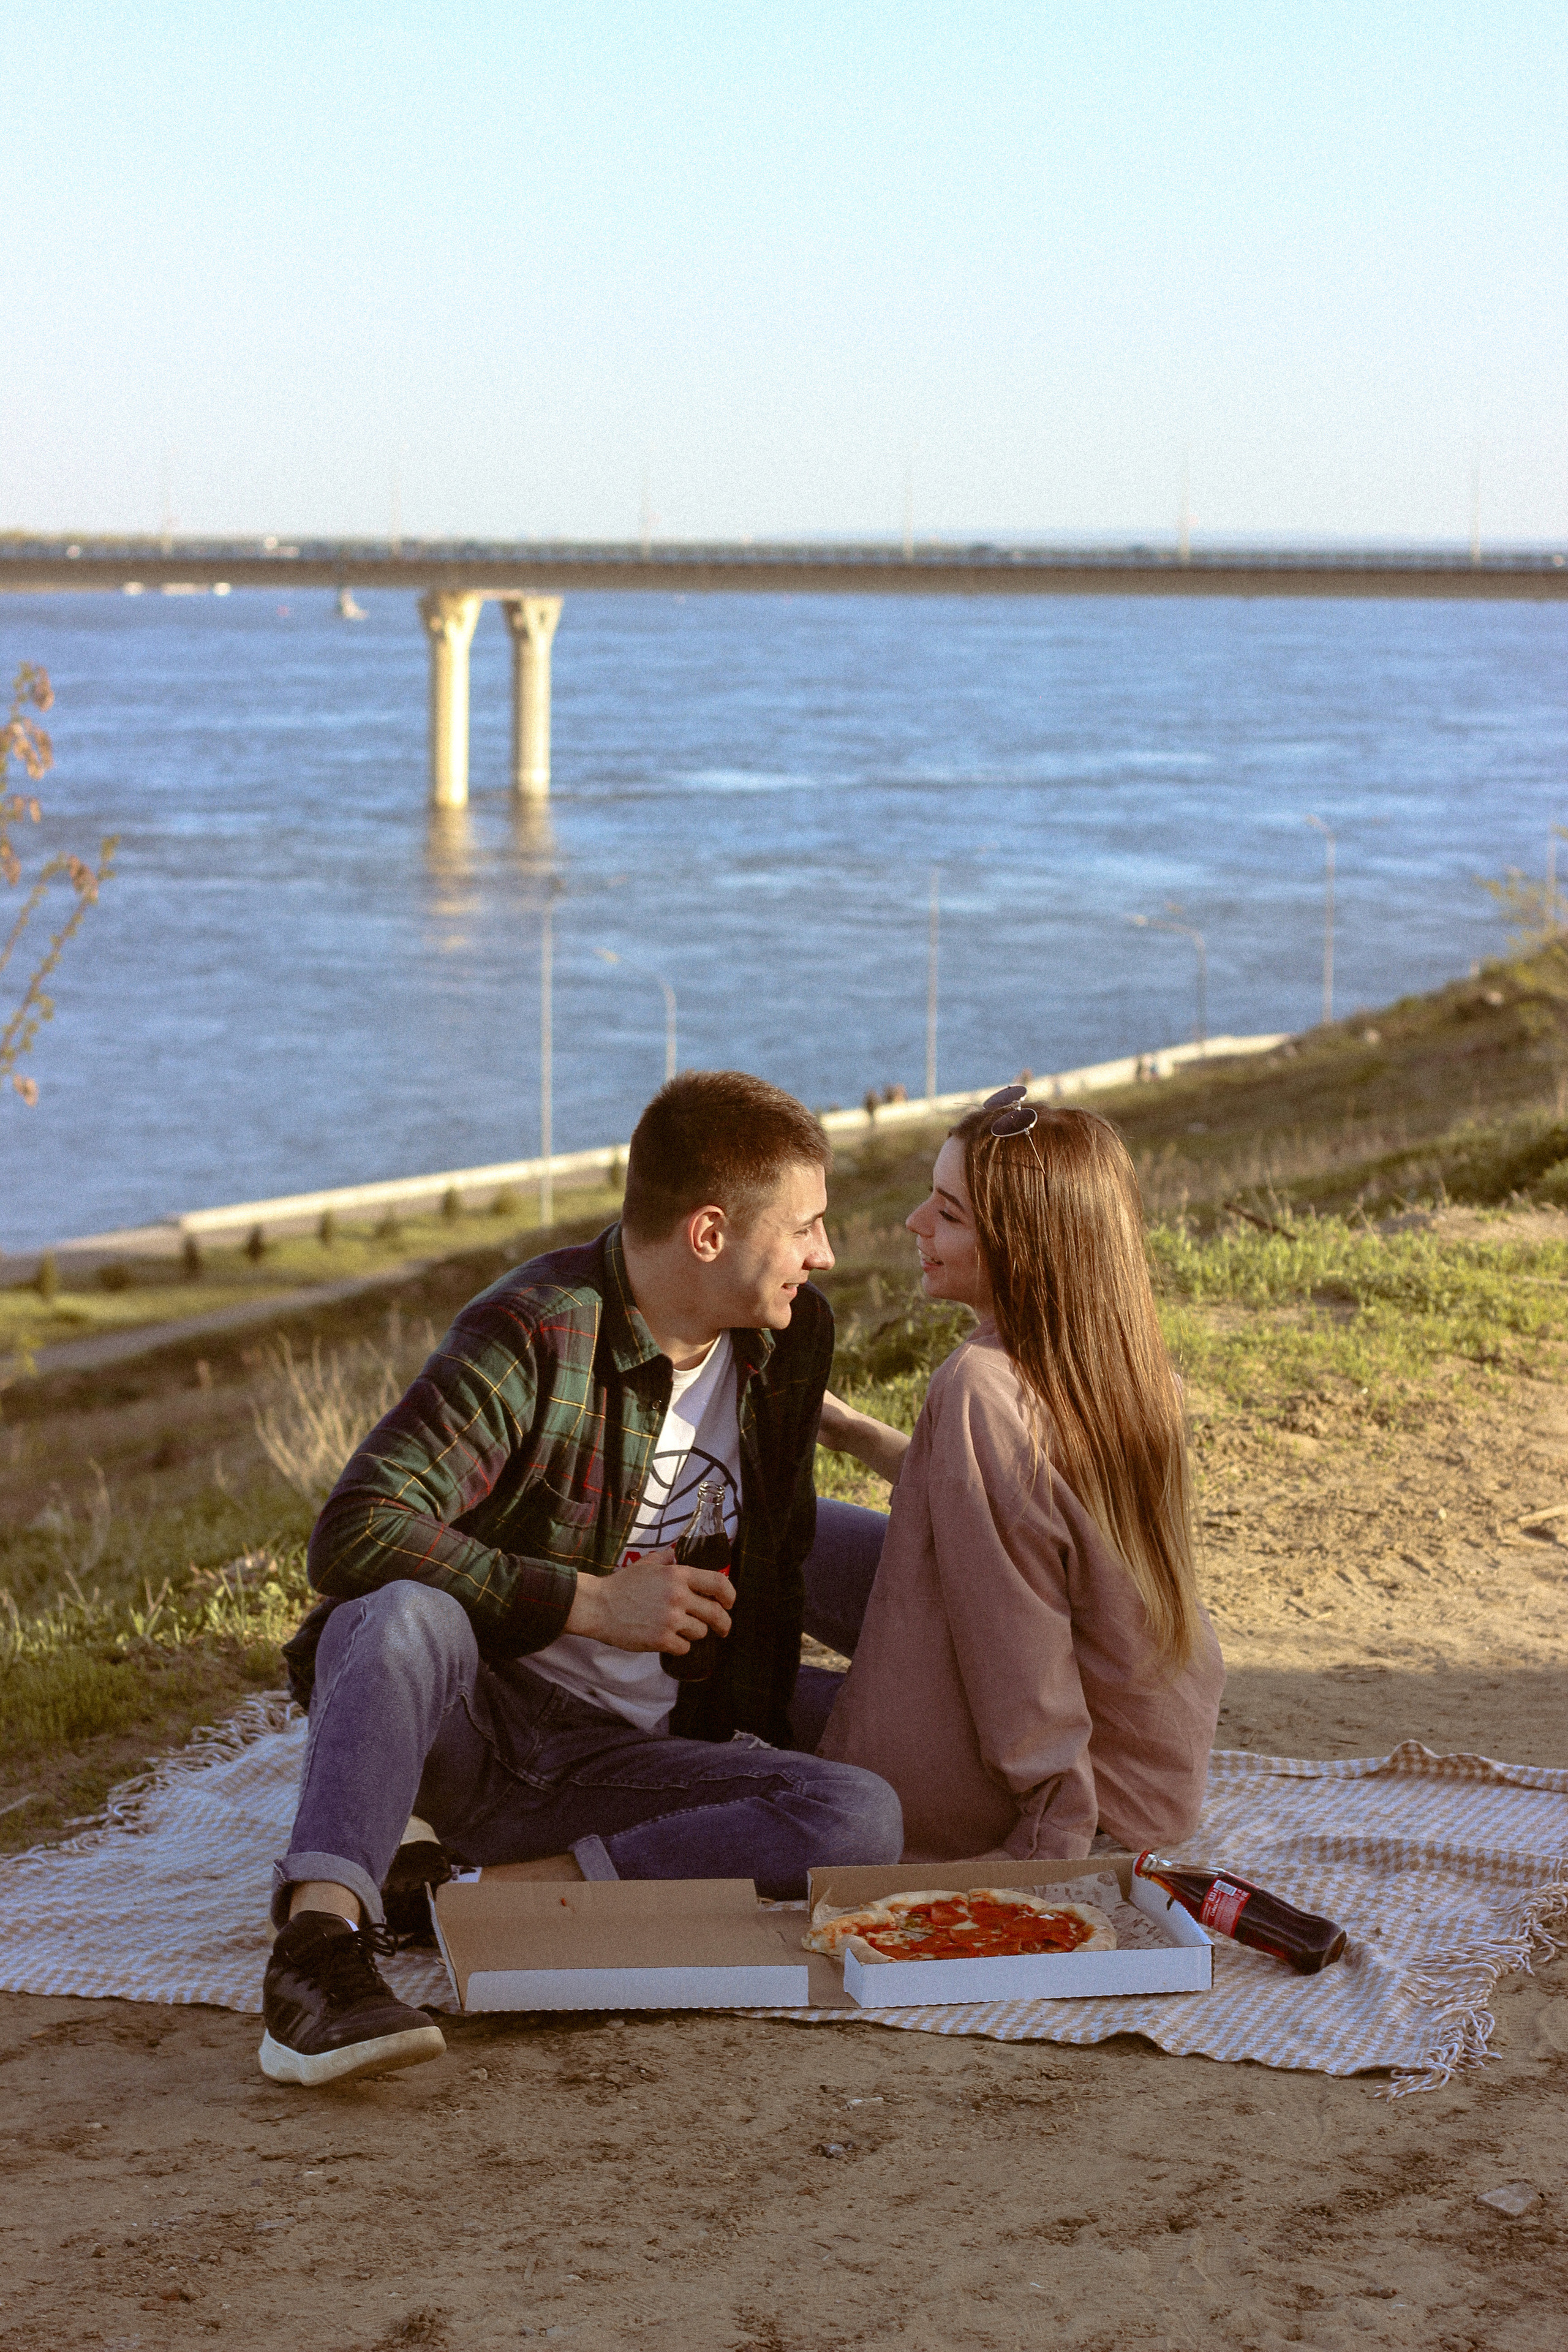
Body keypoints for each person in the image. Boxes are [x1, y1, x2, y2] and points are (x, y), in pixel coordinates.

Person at [260, 1071, 903, 2087]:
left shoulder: (792, 1331)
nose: (825, 1254)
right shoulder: (536, 1330)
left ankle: (483, 1898)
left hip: (638, 1754)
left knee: (862, 1814)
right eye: (807, 1227)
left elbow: (775, 1542)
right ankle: (316, 1956)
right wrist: (593, 1604)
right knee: (397, 1617)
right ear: (708, 1234)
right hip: (483, 1734)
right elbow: (356, 1529)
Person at [800, 1093, 1224, 1863]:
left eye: (950, 1214)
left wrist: (1053, 1826)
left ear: (1021, 1247)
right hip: (1151, 1762)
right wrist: (854, 1432)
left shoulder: (980, 1387)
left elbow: (1016, 1642)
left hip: (1073, 1788)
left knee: (722, 1686)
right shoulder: (1119, 1360)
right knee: (794, 1531)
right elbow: (1013, 1505)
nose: (916, 1223)